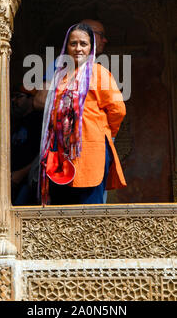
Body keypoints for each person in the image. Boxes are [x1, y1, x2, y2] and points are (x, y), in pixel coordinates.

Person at [39, 23, 127, 205]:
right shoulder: (60, 76)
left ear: (91, 47)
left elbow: (118, 110)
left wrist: (102, 132)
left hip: (91, 151)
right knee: (61, 213)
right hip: (62, 157)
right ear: (67, 47)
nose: (78, 48)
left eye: (83, 44)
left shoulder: (99, 73)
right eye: (73, 44)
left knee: (90, 213)